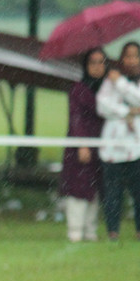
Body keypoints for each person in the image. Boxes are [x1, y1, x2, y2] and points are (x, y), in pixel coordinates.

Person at [61, 48, 107, 242]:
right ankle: (75, 231)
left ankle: (90, 230)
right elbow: (76, 118)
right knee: (78, 188)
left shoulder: (109, 89)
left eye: (101, 62)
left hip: (103, 145)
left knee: (96, 189)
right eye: (92, 63)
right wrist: (82, 144)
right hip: (80, 146)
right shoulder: (79, 89)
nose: (97, 67)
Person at [96, 41, 140, 241]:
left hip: (136, 145)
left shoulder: (120, 81)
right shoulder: (109, 81)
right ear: (121, 59)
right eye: (127, 56)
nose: (131, 60)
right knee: (113, 191)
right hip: (113, 146)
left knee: (137, 191)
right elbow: (103, 106)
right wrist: (126, 112)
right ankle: (113, 230)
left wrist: (122, 84)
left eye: (135, 56)